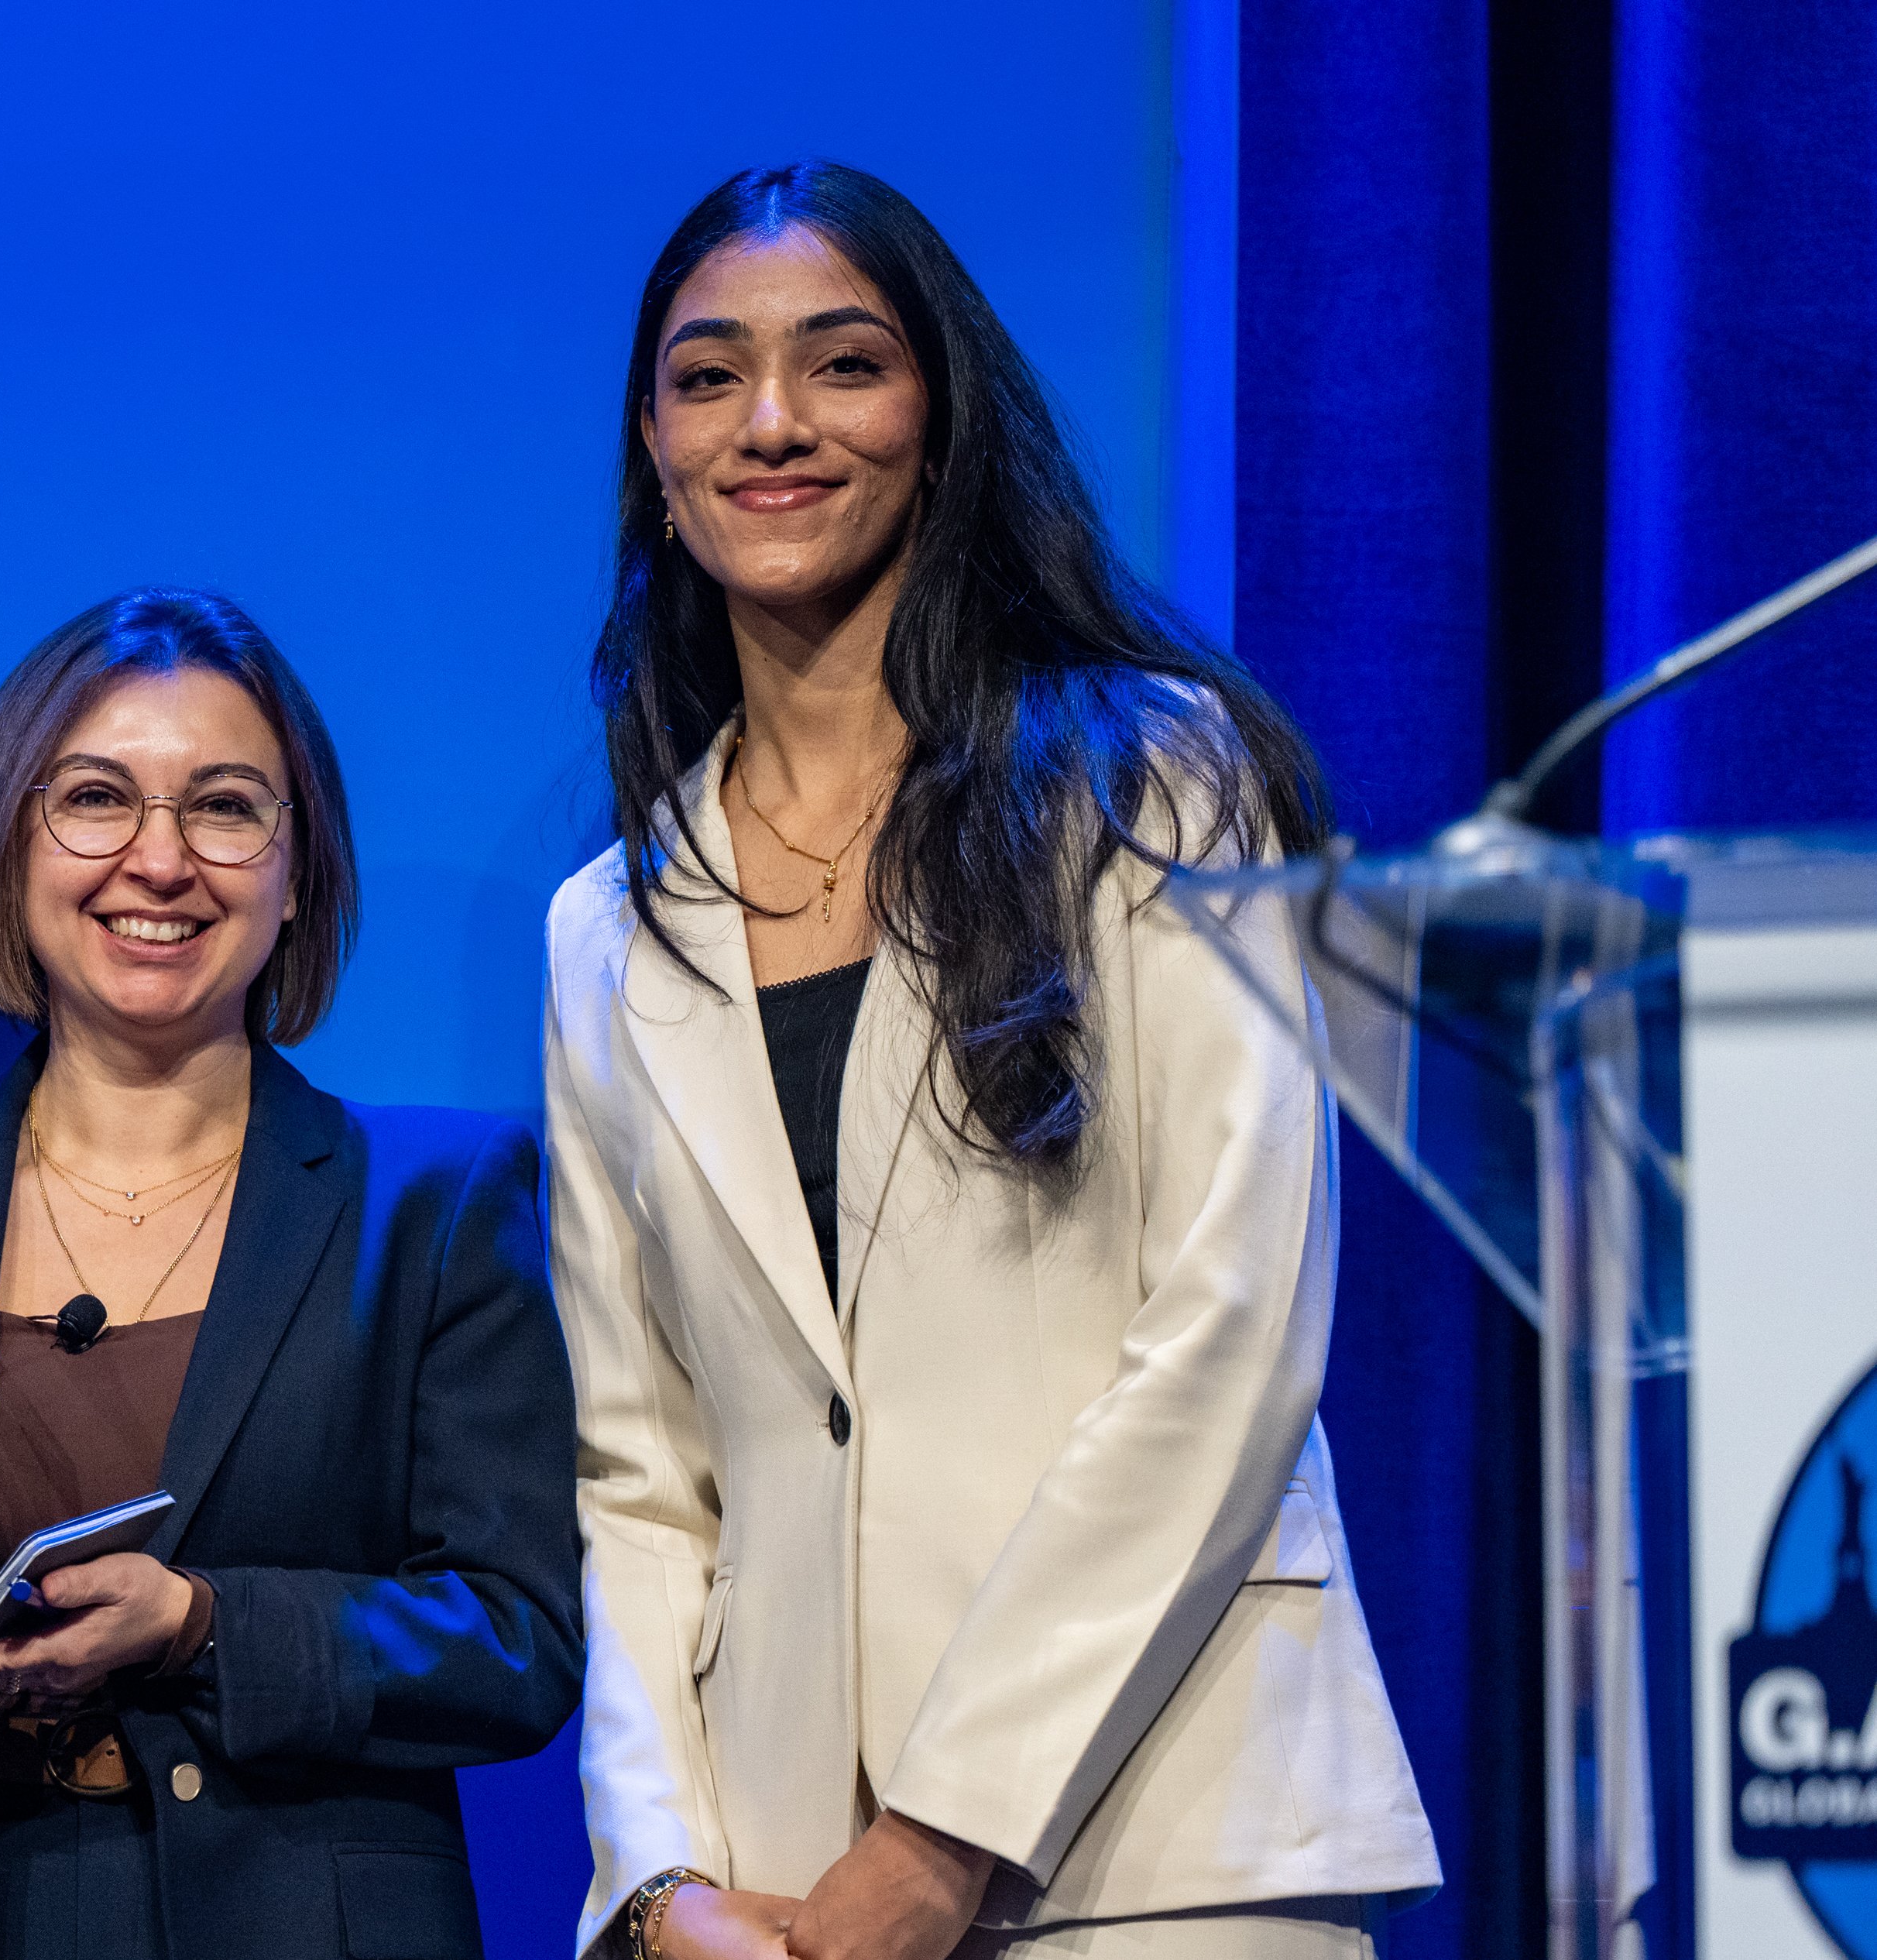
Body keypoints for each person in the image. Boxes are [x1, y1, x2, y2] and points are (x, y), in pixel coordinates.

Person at [545, 163, 1443, 1960]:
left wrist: (947, 1832)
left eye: (843, 364)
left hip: (1170, 1839)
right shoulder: (609, 923)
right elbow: (645, 1475)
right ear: (656, 451)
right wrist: (661, 1884)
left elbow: (1232, 1324)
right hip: (782, 1893)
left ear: (942, 424)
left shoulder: (1156, 778)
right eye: (709, 377)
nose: (773, 423)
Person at [0, 589, 581, 1959]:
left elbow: (517, 1641)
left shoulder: (435, 1203)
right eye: (95, 799)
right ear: (9, 851)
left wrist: (202, 1625)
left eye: (226, 807)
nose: (159, 859)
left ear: (300, 869)